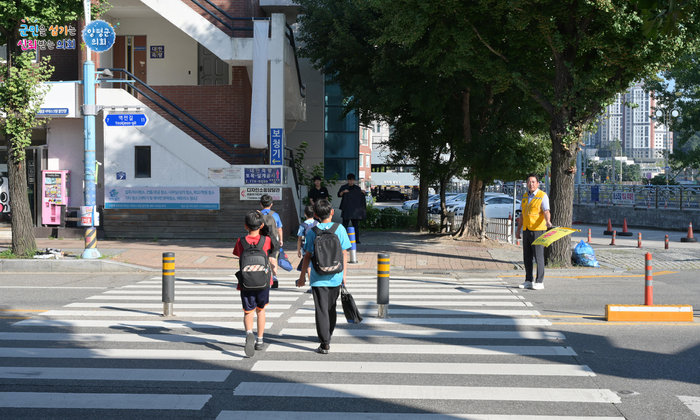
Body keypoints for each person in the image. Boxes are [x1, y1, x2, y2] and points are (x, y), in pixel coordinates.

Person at [296, 199, 351, 354]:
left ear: (315, 215)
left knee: (321, 309)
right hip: (336, 275)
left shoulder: (312, 231)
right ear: (332, 212)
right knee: (331, 308)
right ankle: (329, 333)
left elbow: (307, 256)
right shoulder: (339, 228)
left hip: (318, 277)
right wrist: (344, 275)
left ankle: (324, 343)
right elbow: (345, 253)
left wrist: (302, 277)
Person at [232, 210, 276, 357]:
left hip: (246, 282)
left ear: (245, 226)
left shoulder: (240, 241)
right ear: (262, 225)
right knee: (261, 310)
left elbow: (238, 255)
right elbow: (274, 247)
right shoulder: (266, 240)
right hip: (264, 281)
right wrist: (266, 230)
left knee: (248, 311)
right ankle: (260, 340)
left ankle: (249, 333)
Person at [515, 173, 552, 290]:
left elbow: (546, 211)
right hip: (526, 230)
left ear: (538, 183)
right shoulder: (525, 196)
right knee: (527, 257)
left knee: (538, 256)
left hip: (538, 230)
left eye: (533, 182)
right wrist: (518, 229)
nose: (531, 184)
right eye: (529, 182)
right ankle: (528, 280)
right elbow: (522, 214)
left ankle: (540, 281)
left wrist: (548, 222)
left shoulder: (542, 196)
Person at [260, 194, 283, 288]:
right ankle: (274, 277)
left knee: (263, 259)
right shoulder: (275, 215)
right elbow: (279, 228)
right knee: (273, 258)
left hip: (262, 240)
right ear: (271, 204)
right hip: (273, 239)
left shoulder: (259, 214)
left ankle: (265, 278)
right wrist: (281, 240)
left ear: (261, 204)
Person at [337, 173, 366, 243]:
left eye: (352, 180)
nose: (351, 182)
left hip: (355, 210)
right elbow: (338, 195)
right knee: (345, 225)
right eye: (350, 180)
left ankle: (357, 239)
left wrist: (363, 193)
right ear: (347, 180)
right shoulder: (344, 187)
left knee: (355, 225)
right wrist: (343, 192)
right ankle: (343, 240)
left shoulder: (357, 188)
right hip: (347, 209)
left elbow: (361, 196)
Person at [296, 204, 318, 292]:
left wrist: (298, 250)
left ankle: (312, 285)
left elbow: (299, 239)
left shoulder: (302, 225)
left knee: (308, 267)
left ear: (305, 214)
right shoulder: (318, 223)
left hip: (305, 248)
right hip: (316, 248)